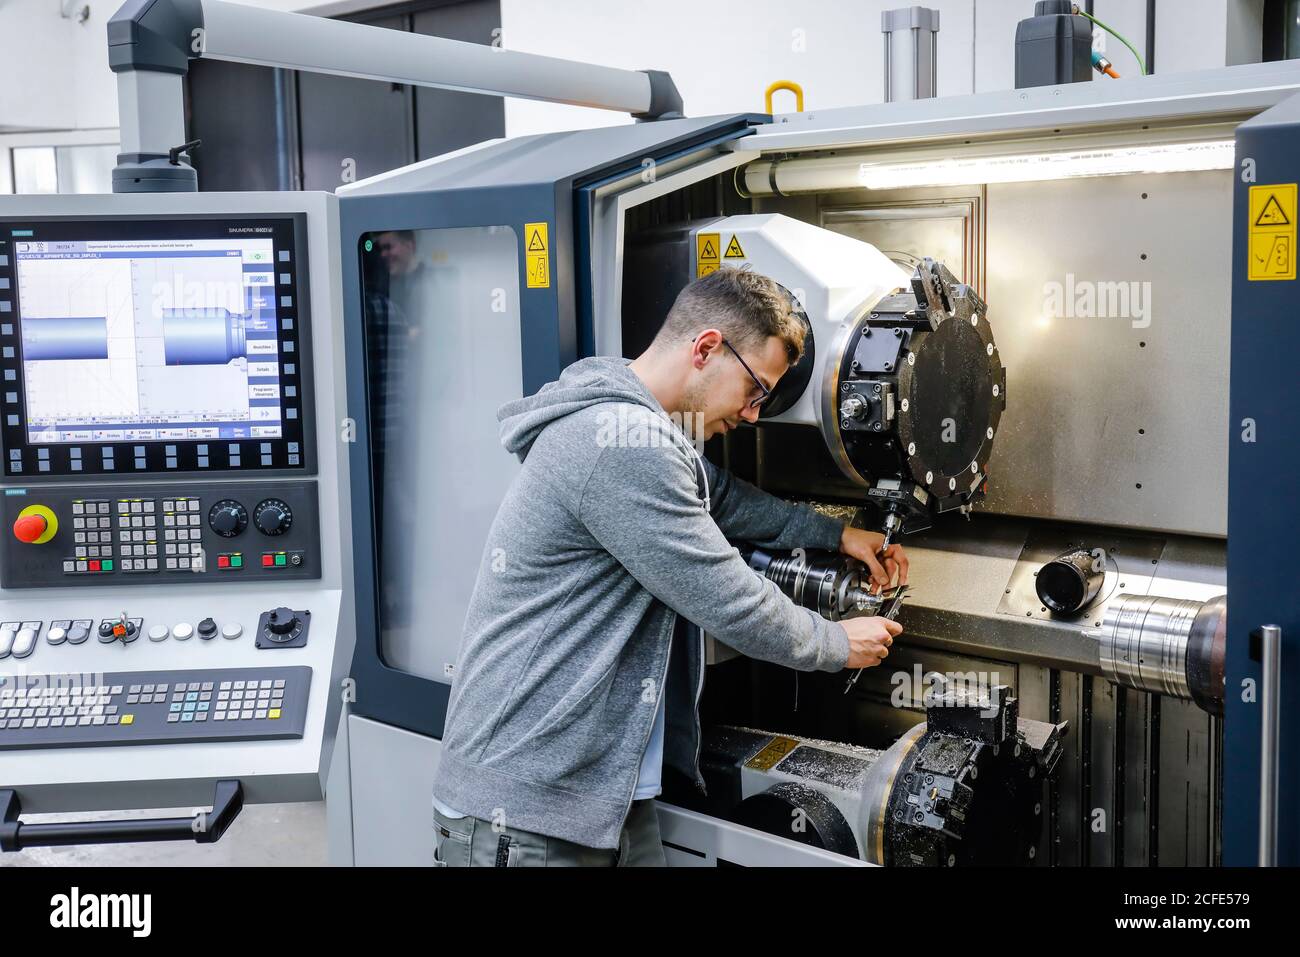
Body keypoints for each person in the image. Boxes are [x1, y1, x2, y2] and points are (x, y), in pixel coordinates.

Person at [430, 266, 908, 867]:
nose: (755, 415)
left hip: (607, 801)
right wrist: (836, 642)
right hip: (527, 812)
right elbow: (730, 602)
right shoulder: (619, 443)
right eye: (756, 390)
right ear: (707, 348)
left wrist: (838, 535)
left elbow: (724, 499)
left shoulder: (647, 432)